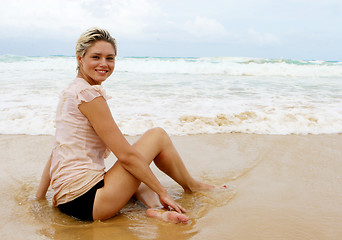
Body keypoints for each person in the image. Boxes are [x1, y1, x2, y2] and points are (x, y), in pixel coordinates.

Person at [36, 27, 224, 223]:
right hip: (90, 202)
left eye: (110, 58)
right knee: (156, 136)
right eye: (96, 57)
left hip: (68, 202)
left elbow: (57, 151)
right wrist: (163, 191)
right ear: (80, 59)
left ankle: (157, 210)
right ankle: (191, 186)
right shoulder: (88, 95)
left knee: (139, 171)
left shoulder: (70, 92)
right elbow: (125, 156)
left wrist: (39, 198)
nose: (104, 64)